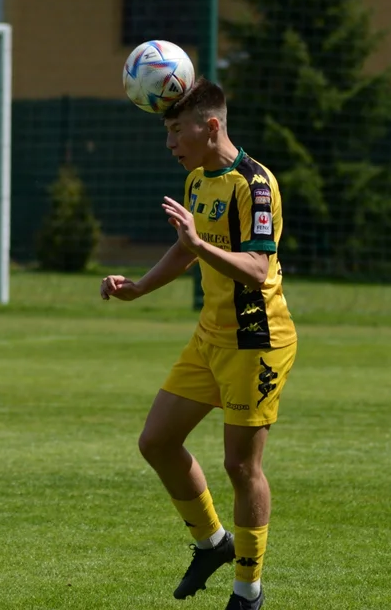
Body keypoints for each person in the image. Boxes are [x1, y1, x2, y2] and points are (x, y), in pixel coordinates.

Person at [100, 78, 297, 610]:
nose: (169, 143)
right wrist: (138, 287)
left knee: (241, 467)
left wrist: (196, 246)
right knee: (156, 442)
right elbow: (186, 252)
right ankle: (212, 544)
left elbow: (257, 270)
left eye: (174, 129)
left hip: (255, 340)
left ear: (211, 126)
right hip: (210, 337)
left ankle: (247, 591)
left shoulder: (255, 185)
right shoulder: (195, 182)